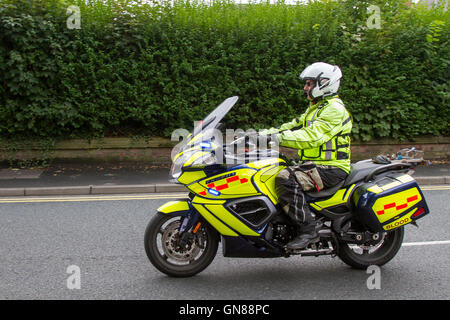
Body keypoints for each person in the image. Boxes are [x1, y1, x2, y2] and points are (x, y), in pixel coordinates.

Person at [260, 62, 353, 250]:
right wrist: (258, 135)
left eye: (309, 83)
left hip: (332, 168)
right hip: (313, 165)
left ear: (324, 83)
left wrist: (274, 138)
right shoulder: (317, 108)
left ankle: (308, 230)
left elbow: (312, 137)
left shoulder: (334, 109)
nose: (305, 88)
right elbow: (290, 126)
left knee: (285, 178)